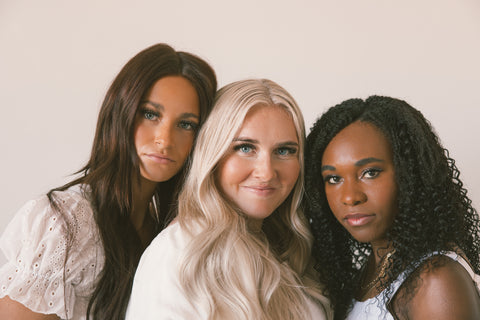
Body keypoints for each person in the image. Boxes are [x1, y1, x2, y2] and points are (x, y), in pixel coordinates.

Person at [0, 43, 217, 320]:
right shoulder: (65, 222)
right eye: (150, 114)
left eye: (186, 124)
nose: (164, 139)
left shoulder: (169, 231)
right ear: (120, 113)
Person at [126, 79, 332, 320]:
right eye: (245, 148)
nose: (266, 172)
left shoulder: (290, 252)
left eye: (284, 151)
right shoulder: (179, 252)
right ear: (212, 153)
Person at [304, 95, 480, 320]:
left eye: (370, 173)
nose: (350, 197)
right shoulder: (373, 268)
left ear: (410, 174)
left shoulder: (436, 280)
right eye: (333, 178)